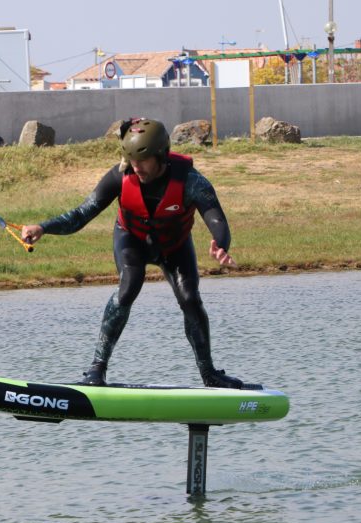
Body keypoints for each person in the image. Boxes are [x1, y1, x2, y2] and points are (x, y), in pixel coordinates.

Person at [21, 118, 249, 389]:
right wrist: (43, 228)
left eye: (142, 161)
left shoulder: (190, 181)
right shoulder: (120, 176)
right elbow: (81, 215)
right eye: (131, 159)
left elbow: (217, 220)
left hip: (174, 246)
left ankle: (210, 374)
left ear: (161, 155)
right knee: (129, 286)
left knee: (190, 298)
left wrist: (220, 244)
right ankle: (96, 370)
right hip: (132, 240)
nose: (136, 167)